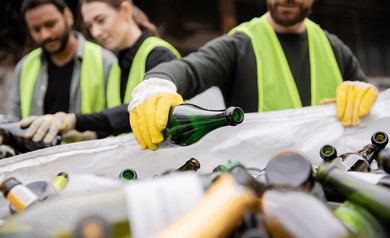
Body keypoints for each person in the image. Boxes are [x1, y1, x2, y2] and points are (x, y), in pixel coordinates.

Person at [128, 0, 379, 151]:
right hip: (258, 187)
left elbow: (370, 107)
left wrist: (367, 95)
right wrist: (157, 85)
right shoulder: (241, 44)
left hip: (331, 183)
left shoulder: (333, 47)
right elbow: (191, 69)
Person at [18, 0, 181, 144]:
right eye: (90, 26)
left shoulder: (158, 54)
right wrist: (90, 136)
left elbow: (139, 110)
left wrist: (74, 120)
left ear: (126, 10)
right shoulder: (118, 65)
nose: (95, 32)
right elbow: (116, 124)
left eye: (101, 20)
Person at [7, 0, 118, 143]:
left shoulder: (105, 62)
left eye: (50, 25)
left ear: (68, 17)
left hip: (91, 160)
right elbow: (14, 120)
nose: (45, 35)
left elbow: (116, 120)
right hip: (38, 161)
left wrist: (91, 137)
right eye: (36, 29)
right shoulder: (25, 67)